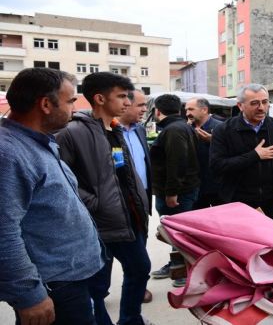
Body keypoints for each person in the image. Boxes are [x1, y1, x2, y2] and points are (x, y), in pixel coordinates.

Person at [0, 68, 103, 325]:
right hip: (52, 287)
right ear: (45, 104)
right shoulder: (9, 154)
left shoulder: (37, 142)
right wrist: (29, 294)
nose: (75, 109)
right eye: (70, 102)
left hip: (69, 280)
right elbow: (3, 231)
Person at [56, 72, 152, 325]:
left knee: (140, 269)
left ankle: (130, 320)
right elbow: (61, 179)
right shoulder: (71, 132)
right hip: (97, 224)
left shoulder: (114, 129)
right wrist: (93, 203)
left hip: (128, 217)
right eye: (121, 96)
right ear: (99, 98)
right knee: (98, 285)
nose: (127, 103)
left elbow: (124, 174)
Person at [210, 84, 273, 225]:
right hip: (237, 201)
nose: (261, 107)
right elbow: (217, 165)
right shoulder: (224, 130)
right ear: (240, 105)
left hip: (272, 202)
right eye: (254, 103)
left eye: (265, 102)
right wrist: (254, 156)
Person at [149, 94, 200, 285]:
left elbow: (177, 163)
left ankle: (184, 271)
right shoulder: (178, 127)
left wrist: (172, 193)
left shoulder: (174, 130)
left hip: (178, 193)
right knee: (174, 234)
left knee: (179, 234)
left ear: (158, 111)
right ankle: (176, 266)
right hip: (179, 190)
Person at [117, 90, 153, 304]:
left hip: (141, 203)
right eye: (140, 105)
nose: (144, 110)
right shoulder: (108, 131)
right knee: (109, 257)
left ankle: (136, 291)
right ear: (125, 104)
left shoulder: (139, 130)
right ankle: (98, 297)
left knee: (139, 258)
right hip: (116, 206)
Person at [185, 97, 223, 209]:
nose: (187, 113)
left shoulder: (220, 127)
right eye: (186, 110)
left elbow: (233, 150)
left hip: (217, 185)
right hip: (195, 186)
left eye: (191, 109)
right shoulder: (186, 128)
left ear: (204, 110)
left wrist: (213, 140)